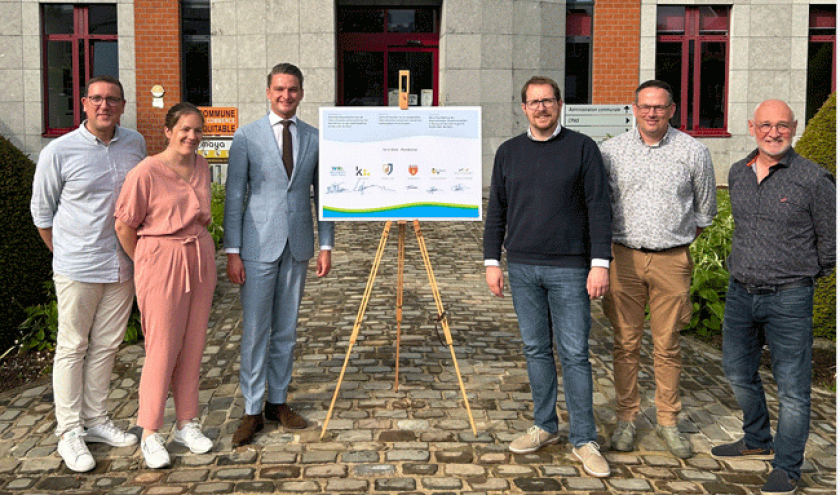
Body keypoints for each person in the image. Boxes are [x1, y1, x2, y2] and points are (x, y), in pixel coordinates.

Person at [483, 76, 612, 478]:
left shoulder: (582, 149)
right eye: (533, 102)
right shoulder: (509, 152)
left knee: (574, 353)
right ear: (524, 107)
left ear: (559, 104)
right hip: (522, 267)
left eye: (548, 100)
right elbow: (497, 210)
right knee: (536, 349)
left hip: (571, 268)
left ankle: (584, 438)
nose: (541, 108)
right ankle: (544, 425)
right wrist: (491, 261)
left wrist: (600, 262)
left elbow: (599, 207)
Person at [711, 100, 835, 495]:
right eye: (766, 124)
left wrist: (800, 277)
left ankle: (787, 467)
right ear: (752, 127)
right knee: (736, 370)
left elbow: (831, 244)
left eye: (782, 125)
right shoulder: (738, 172)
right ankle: (756, 439)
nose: (773, 132)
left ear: (795, 128)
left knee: (793, 389)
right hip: (740, 293)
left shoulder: (814, 179)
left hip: (789, 298)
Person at [30, 75, 146, 472]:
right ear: (83, 103)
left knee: (107, 346)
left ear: (123, 105)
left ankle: (96, 420)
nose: (104, 105)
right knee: (72, 347)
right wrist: (65, 254)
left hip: (122, 266)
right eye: (96, 98)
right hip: (78, 267)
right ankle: (69, 431)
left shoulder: (135, 144)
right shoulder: (59, 151)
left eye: (112, 99)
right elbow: (42, 214)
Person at [599, 80, 717, 459]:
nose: (652, 113)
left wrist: (672, 240)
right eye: (645, 106)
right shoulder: (610, 152)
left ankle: (668, 420)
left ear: (672, 110)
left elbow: (704, 212)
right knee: (626, 343)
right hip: (623, 259)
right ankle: (626, 418)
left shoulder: (693, 151)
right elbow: (599, 205)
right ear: (634, 109)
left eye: (660, 106)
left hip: (671, 260)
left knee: (668, 344)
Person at [224, 63, 335, 446]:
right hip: (256, 245)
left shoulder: (314, 137)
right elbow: (234, 195)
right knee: (256, 330)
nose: (286, 95)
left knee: (286, 329)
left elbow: (324, 196)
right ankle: (252, 408)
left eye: (293, 89)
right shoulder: (247, 136)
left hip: (298, 244)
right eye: (279, 89)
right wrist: (233, 250)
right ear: (268, 92)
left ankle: (278, 401)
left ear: (301, 93)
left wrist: (326, 244)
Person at [115, 102, 217, 468]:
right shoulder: (146, 171)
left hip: (199, 256)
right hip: (161, 258)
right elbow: (124, 225)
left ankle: (187, 423)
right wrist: (147, 260)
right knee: (162, 347)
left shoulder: (202, 166)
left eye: (197, 130)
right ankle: (150, 431)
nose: (192, 136)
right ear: (168, 131)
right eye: (185, 129)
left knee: (193, 344)